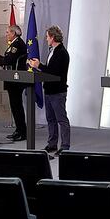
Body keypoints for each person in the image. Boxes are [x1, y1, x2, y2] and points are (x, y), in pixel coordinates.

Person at [28, 25, 70, 156]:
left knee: (61, 119)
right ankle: (52, 144)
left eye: (47, 37)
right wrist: (38, 66)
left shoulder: (62, 52)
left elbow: (54, 72)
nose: (46, 39)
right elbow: (49, 69)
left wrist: (38, 66)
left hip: (58, 91)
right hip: (49, 90)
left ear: (52, 37)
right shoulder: (52, 50)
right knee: (50, 119)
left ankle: (65, 146)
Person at [0, 25, 27, 141]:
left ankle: (22, 132)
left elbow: (9, 60)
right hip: (12, 79)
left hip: (16, 80)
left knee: (17, 106)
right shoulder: (14, 44)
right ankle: (19, 130)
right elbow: (8, 60)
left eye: (8, 32)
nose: (6, 34)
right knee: (15, 106)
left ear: (14, 33)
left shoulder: (17, 44)